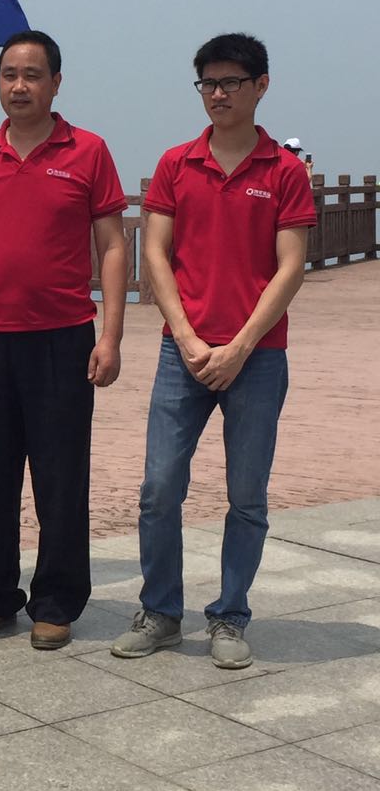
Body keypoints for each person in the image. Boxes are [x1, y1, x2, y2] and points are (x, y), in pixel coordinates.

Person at [111, 33, 316, 669]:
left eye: (232, 82)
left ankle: (230, 614)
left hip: (258, 356)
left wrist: (240, 345)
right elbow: (155, 253)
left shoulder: (284, 171)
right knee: (158, 488)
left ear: (261, 86)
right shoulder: (177, 164)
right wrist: (189, 337)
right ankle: (160, 611)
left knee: (246, 495)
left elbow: (290, 267)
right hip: (184, 354)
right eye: (208, 83)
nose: (219, 94)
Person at [0, 29, 128, 650]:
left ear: (56, 83)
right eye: (9, 74)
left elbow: (112, 245)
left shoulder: (88, 151)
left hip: (62, 339)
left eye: (32, 75)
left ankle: (56, 601)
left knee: (60, 479)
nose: (19, 86)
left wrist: (110, 335)